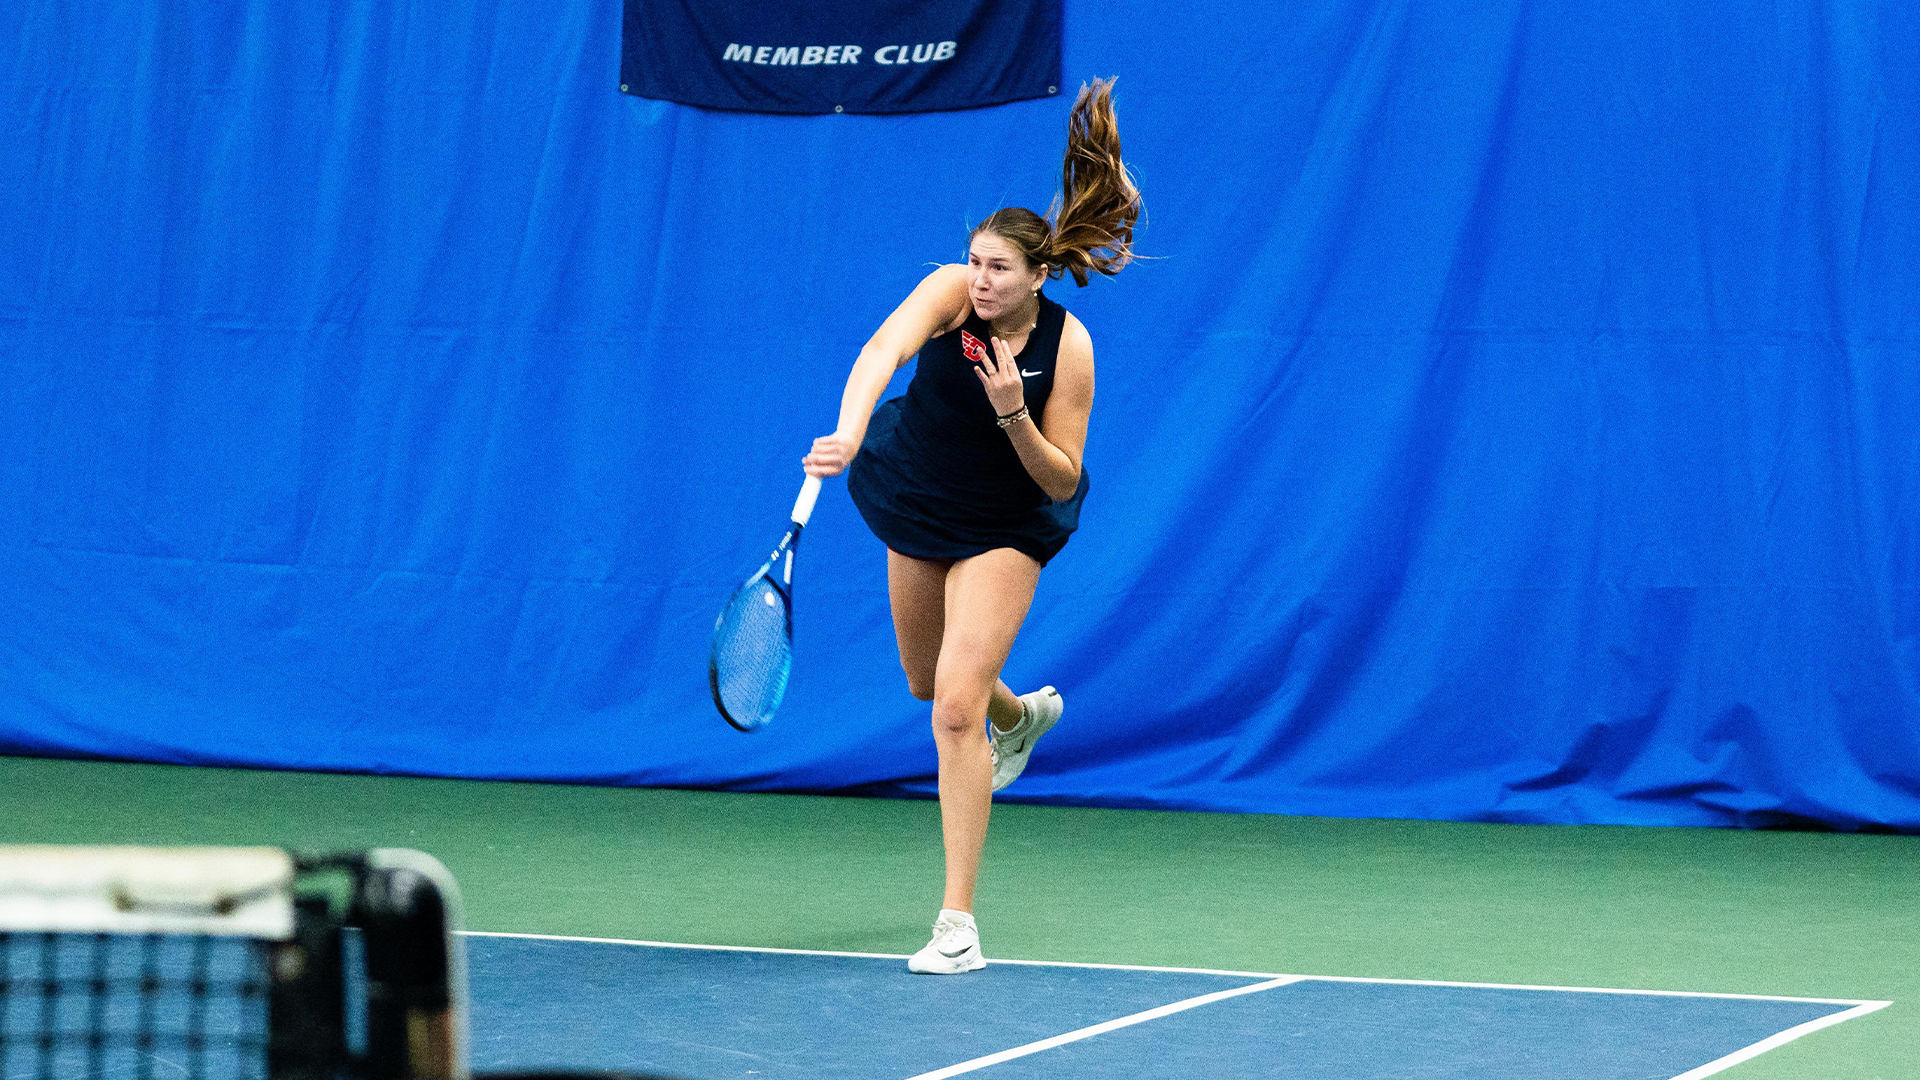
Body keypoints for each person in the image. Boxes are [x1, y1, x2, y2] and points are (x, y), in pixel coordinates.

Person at [801, 79, 1141, 974]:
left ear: (1037, 276)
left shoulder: (1068, 347)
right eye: (975, 262)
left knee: (954, 709)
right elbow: (883, 350)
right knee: (927, 679)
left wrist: (1012, 413)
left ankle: (957, 924)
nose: (982, 279)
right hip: (918, 494)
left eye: (999, 269)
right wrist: (849, 429)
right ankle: (1019, 715)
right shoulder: (951, 295)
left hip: (1005, 522)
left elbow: (1061, 474)